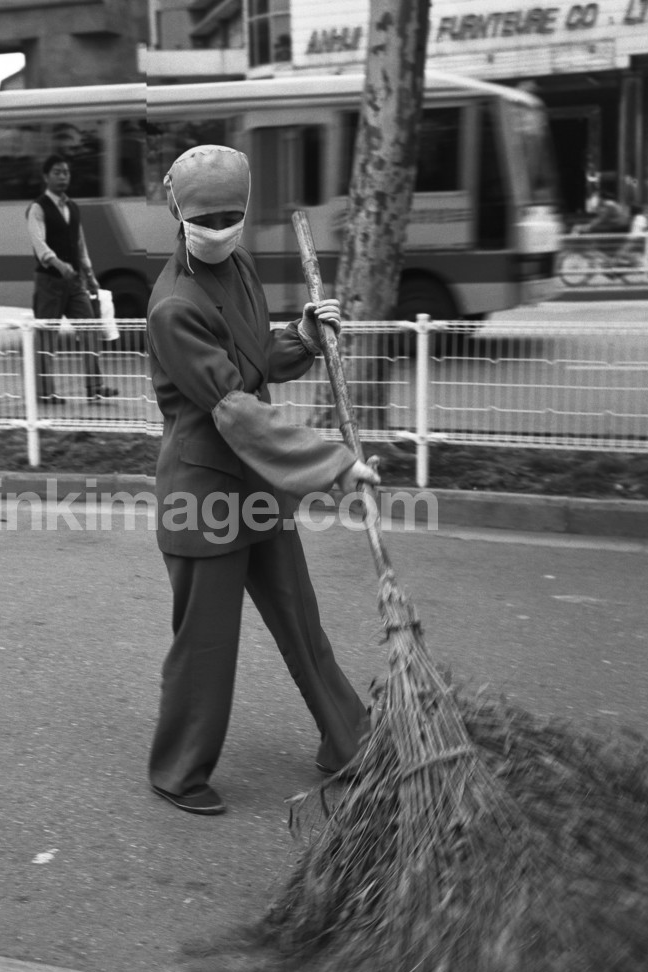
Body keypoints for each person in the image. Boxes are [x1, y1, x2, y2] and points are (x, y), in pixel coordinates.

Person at [145, 144, 381, 816]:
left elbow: (252, 360)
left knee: (301, 621)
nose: (220, 228)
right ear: (179, 214)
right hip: (203, 494)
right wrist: (334, 464)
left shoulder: (240, 267)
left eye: (231, 216)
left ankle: (350, 741)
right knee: (207, 647)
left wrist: (301, 337)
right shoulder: (173, 306)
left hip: (256, 483)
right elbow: (234, 406)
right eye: (206, 218)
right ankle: (178, 770)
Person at [25, 154, 117, 402]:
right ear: (46, 177)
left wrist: (90, 276)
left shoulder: (73, 208)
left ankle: (95, 388)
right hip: (49, 282)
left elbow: (80, 245)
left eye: (66, 172)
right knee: (46, 337)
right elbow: (39, 244)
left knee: (90, 329)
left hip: (75, 282)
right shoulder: (38, 208)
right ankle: (44, 394)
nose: (63, 177)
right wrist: (58, 264)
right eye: (57, 172)